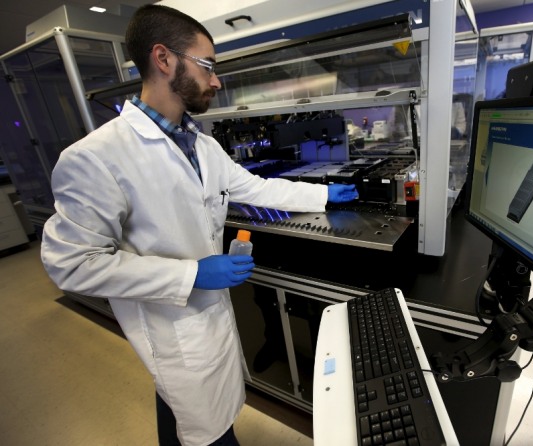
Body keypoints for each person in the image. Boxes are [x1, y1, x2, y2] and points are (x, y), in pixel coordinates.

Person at [40, 4, 358, 446]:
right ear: (163, 59)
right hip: (171, 327)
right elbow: (72, 264)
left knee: (190, 411)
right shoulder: (96, 157)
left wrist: (322, 195)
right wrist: (192, 274)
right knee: (201, 422)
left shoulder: (201, 145)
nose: (216, 80)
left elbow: (255, 188)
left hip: (209, 320)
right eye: (207, 66)